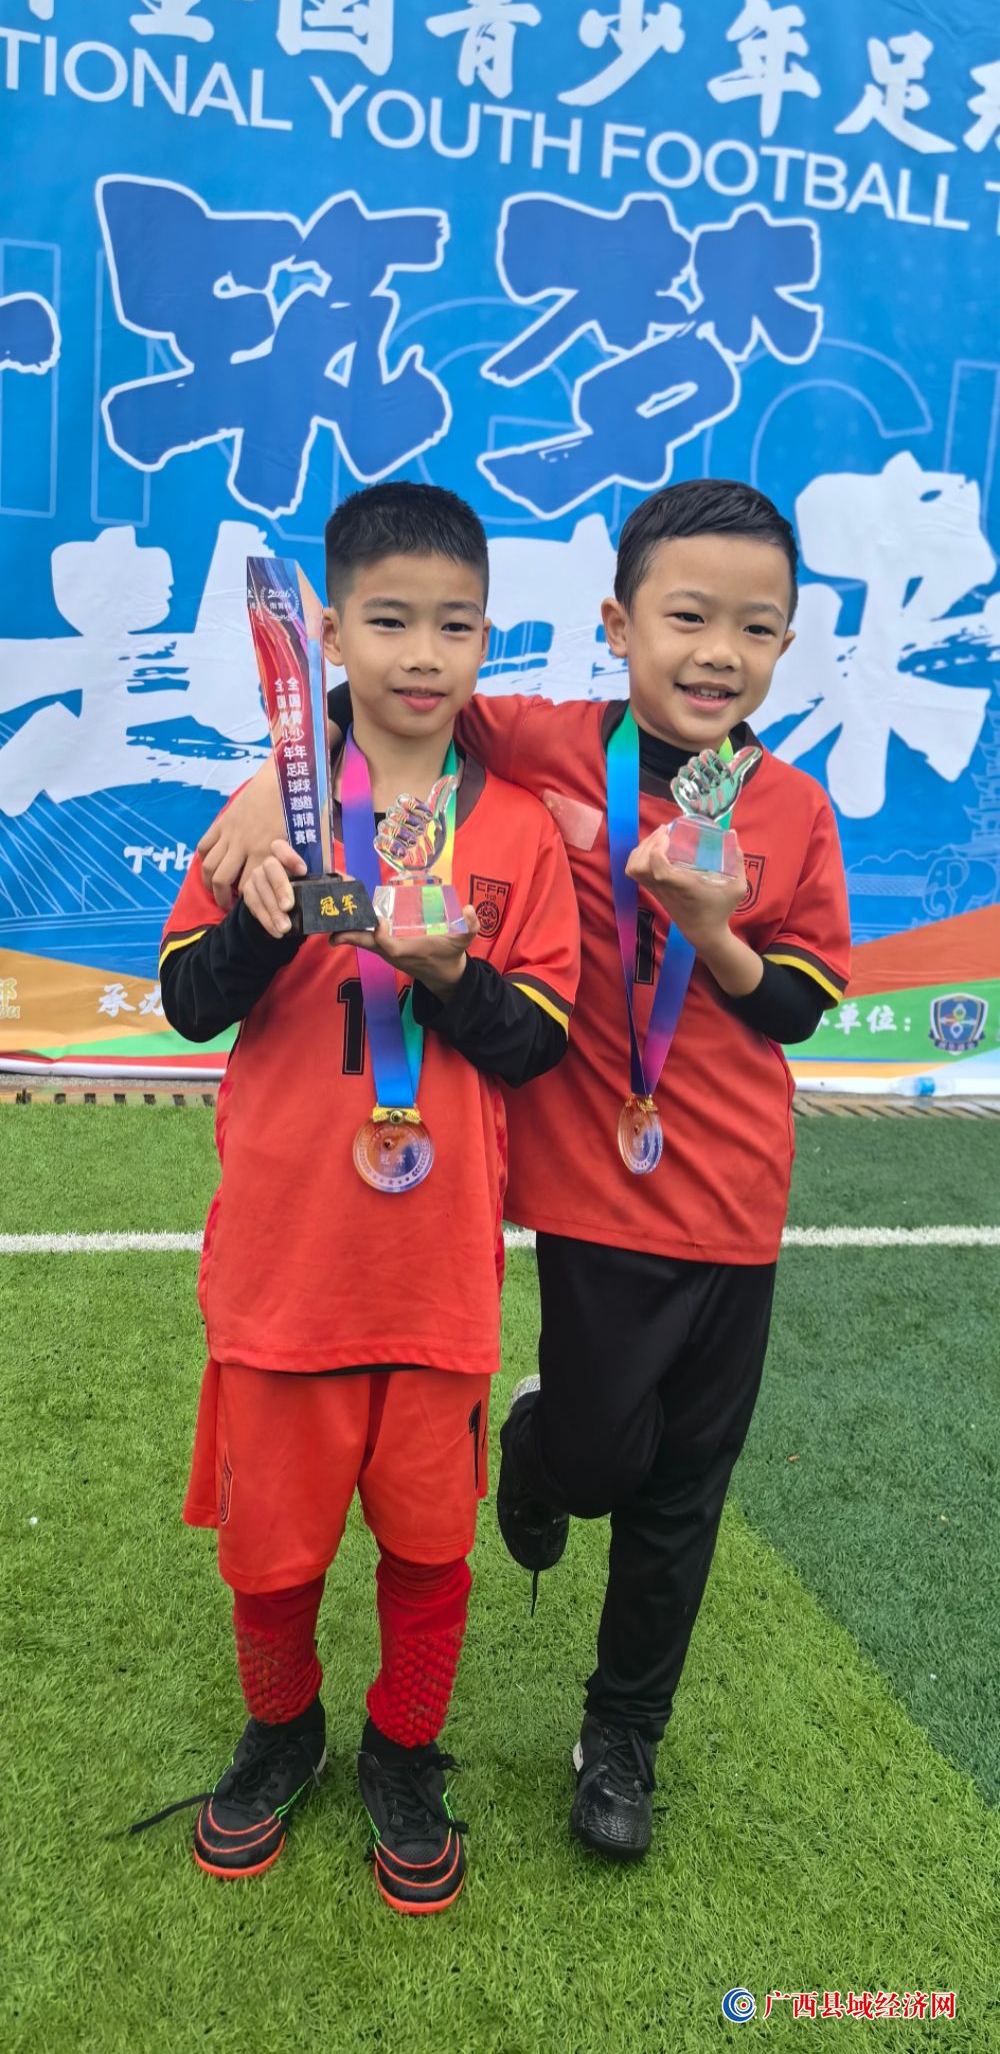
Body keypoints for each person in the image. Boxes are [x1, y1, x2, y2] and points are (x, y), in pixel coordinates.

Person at [198, 478, 851, 1865]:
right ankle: (544, 1446)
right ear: (617, 624)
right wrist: (272, 783)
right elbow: (381, 702)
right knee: (601, 1459)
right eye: (687, 616)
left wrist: (716, 933)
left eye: (756, 628)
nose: (717, 652)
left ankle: (622, 1736)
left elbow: (800, 1001)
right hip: (586, 1190)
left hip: (738, 1192)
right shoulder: (546, 740)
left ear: (789, 644)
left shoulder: (791, 806)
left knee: (684, 1495)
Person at [158, 482, 579, 1909]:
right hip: (286, 1272)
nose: (422, 653)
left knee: (430, 1544)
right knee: (272, 1553)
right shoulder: (263, 812)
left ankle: (404, 1747)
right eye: (389, 621)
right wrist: (260, 924)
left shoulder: (517, 831)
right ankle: (284, 1729)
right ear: (331, 635)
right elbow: (187, 1004)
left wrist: (452, 973)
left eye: (455, 626)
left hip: (434, 1278)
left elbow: (537, 1044)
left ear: (486, 641)